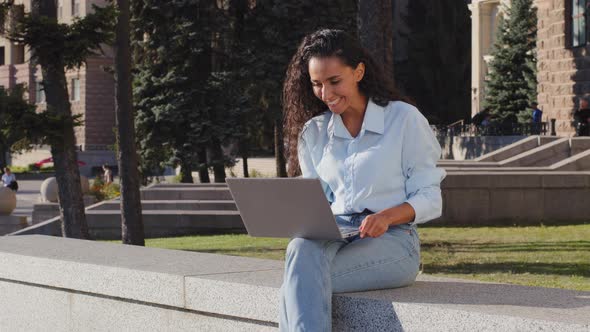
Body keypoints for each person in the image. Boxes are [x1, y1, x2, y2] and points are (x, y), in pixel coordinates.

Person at [281, 29, 446, 331]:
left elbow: (430, 197)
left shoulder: (404, 119)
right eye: (316, 84)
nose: (326, 95)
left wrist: (386, 216)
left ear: (358, 72)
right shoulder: (315, 132)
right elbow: (316, 199)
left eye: (334, 82)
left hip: (393, 241)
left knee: (300, 279)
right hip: (335, 235)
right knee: (300, 249)